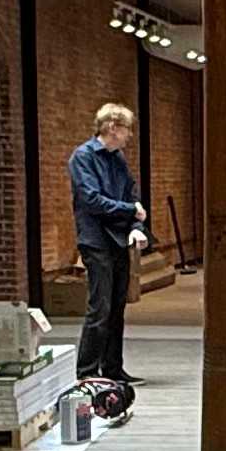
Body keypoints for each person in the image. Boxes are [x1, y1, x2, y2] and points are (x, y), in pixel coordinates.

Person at [70, 103, 147, 385]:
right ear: (112, 128)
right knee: (99, 307)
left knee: (117, 307)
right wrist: (130, 212)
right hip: (96, 240)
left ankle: (113, 368)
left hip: (118, 240)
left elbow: (133, 195)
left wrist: (136, 227)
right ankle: (87, 371)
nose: (129, 136)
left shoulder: (118, 158)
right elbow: (92, 200)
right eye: (127, 129)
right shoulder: (83, 158)